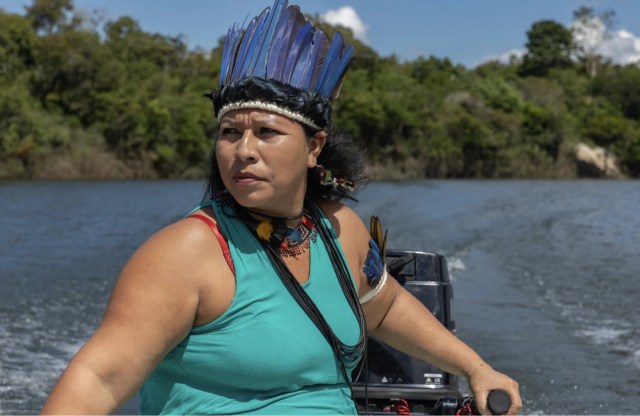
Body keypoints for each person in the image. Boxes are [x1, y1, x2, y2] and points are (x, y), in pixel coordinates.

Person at [41, 0, 522, 414]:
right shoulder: (185, 253)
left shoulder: (341, 230)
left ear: (314, 148)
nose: (243, 150)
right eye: (230, 132)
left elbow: (386, 305)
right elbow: (98, 381)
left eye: (267, 132)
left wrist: (477, 369)